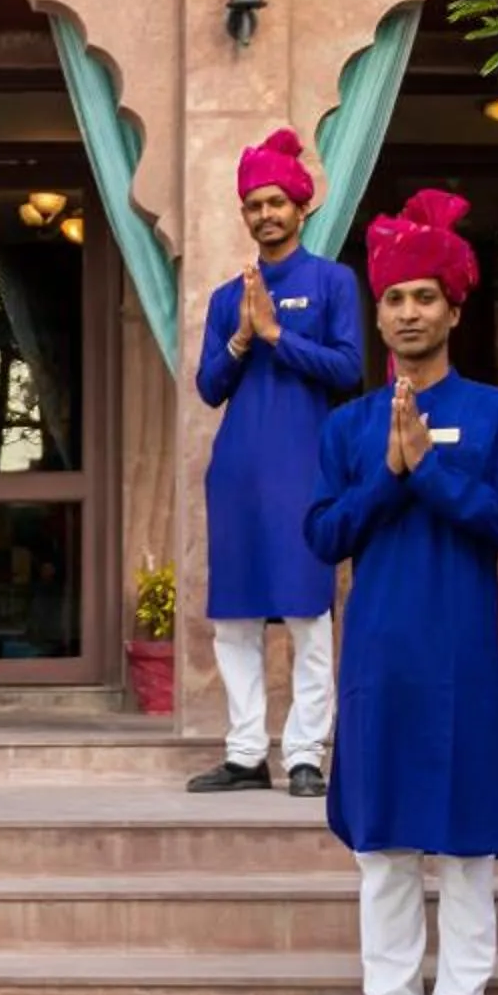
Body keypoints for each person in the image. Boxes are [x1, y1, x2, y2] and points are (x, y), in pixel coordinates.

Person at [303, 187, 498, 995]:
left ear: (454, 309)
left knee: (470, 845)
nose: (409, 312)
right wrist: (390, 475)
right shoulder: (349, 425)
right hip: (379, 657)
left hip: (463, 658)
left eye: (425, 298)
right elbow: (325, 534)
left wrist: (429, 470)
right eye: (395, 298)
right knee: (384, 846)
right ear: (378, 314)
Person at [189, 128, 365, 798]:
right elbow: (209, 388)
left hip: (305, 468)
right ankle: (244, 754)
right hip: (237, 472)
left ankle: (305, 755)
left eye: (275, 203)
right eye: (254, 205)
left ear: (301, 207)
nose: (265, 214)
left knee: (306, 613)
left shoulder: (332, 282)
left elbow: (348, 370)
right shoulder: (226, 297)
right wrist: (241, 337)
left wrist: (276, 335)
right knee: (235, 617)